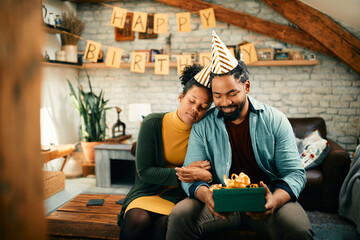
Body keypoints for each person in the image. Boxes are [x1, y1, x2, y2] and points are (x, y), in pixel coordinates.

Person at [167, 31, 314, 240]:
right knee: (181, 215)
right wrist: (206, 195)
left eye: (232, 93)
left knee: (298, 229)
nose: (225, 102)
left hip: (267, 198)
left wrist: (274, 201)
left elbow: (294, 174)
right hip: (220, 200)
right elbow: (190, 177)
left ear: (246, 87)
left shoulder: (275, 120)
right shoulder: (203, 125)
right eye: (217, 96)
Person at [118, 64, 213, 240]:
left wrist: (198, 176)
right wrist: (187, 173)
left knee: (165, 225)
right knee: (137, 220)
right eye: (191, 101)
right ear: (181, 97)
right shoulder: (152, 123)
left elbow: (206, 171)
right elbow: (145, 172)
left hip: (181, 196)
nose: (195, 109)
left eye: (203, 106)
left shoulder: (205, 132)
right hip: (147, 191)